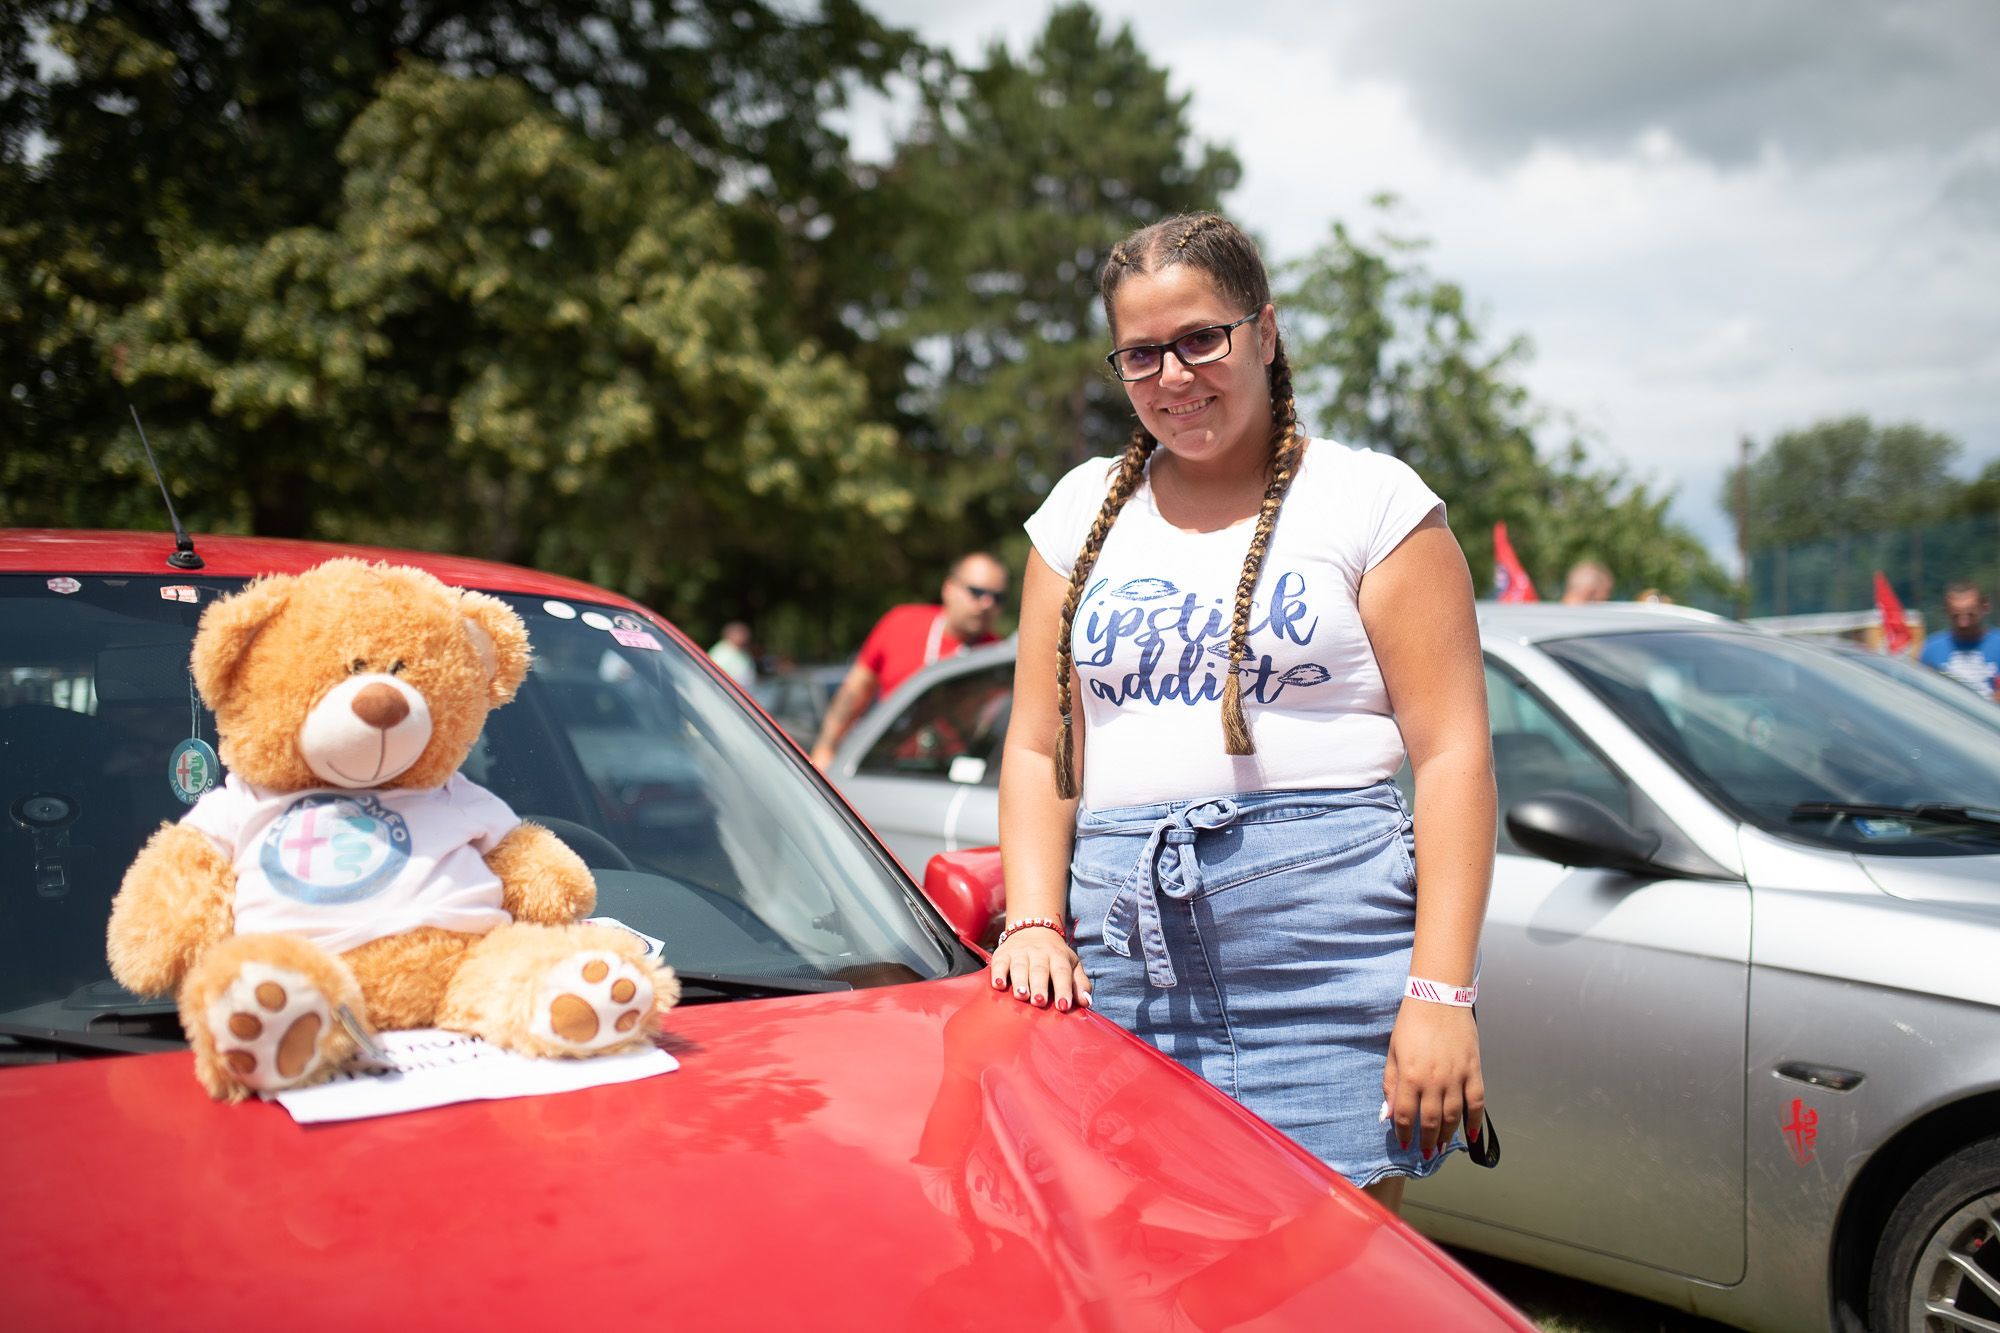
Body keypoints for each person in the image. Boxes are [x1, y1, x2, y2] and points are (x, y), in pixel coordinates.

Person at [993, 212, 1495, 1213]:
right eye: (1141, 354)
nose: (1172, 375)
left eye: (1199, 339)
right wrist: (1034, 920)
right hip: (1121, 979)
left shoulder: (1371, 503)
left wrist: (1439, 995)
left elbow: (1451, 755)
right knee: (1140, 1276)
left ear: (1263, 333)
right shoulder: (1073, 513)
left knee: (1331, 1290)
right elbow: (1037, 745)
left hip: (1323, 974)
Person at [808, 552, 1009, 766]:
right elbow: (855, 690)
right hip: (880, 764)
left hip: (950, 772)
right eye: (976, 592)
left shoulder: (997, 657)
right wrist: (826, 748)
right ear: (948, 588)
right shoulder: (901, 623)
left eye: (998, 598)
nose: (987, 604)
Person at [1920, 580, 2000, 700]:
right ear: (1947, 610)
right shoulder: (1931, 649)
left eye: (1970, 614)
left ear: (1985, 607)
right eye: (1956, 616)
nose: (1963, 623)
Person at [707, 620, 758, 686]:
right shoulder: (721, 652)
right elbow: (714, 676)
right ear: (730, 634)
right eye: (741, 633)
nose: (745, 637)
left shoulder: (743, 652)